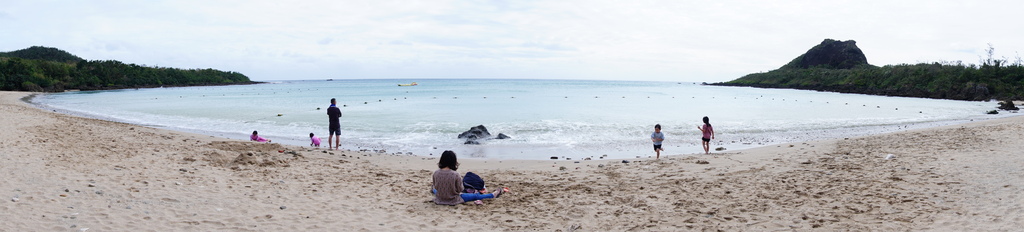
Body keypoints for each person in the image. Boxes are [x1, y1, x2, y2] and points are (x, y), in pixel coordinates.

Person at [432, 150, 509, 205]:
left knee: (435, 190)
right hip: (453, 199)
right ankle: (493, 195)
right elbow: (460, 189)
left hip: (440, 199)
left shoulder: (436, 173)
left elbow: (436, 186)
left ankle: (432, 190)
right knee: (475, 196)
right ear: (453, 162)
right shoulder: (455, 174)